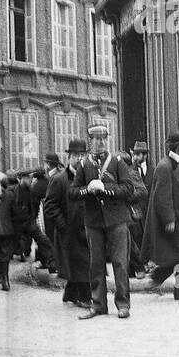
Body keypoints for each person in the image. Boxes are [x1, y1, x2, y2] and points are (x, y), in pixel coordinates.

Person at [72, 125, 148, 319]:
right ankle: (98, 305)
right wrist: (87, 189)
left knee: (121, 263)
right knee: (95, 264)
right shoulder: (83, 165)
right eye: (97, 139)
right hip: (93, 221)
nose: (101, 143)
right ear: (90, 141)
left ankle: (123, 305)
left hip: (117, 220)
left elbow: (128, 188)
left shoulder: (116, 162)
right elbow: (72, 192)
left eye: (104, 139)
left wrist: (105, 188)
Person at [140, 132, 179, 301]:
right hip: (175, 219)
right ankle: (166, 282)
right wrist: (169, 219)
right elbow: (162, 196)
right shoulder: (165, 166)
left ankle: (170, 285)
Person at [45, 139, 92, 307]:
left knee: (81, 265)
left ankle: (70, 295)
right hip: (69, 232)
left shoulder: (89, 177)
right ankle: (85, 298)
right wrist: (63, 225)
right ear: (69, 157)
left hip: (86, 229)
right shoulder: (59, 179)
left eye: (82, 155)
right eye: (76, 155)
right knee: (81, 265)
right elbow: (49, 206)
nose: (79, 159)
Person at [127, 141, 154, 278]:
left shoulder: (153, 170)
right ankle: (139, 266)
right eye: (134, 154)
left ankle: (148, 263)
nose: (136, 157)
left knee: (148, 236)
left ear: (145, 155)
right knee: (136, 236)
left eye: (139, 154)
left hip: (149, 208)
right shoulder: (130, 170)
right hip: (135, 210)